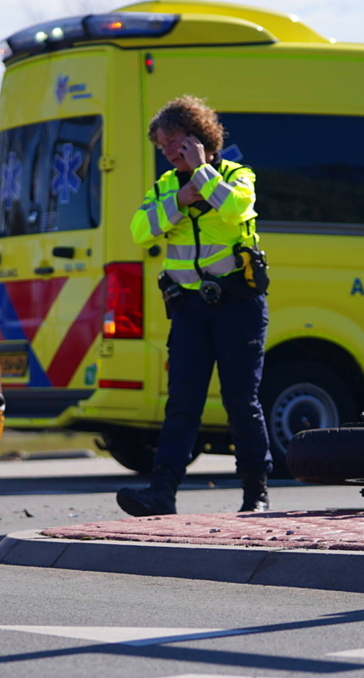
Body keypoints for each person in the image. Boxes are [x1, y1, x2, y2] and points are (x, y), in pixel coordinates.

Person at [116, 95, 272, 517]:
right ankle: (161, 493)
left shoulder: (236, 175)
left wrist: (203, 174)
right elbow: (139, 231)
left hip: (239, 304)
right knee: (182, 401)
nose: (167, 150)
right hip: (188, 309)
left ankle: (255, 493)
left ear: (198, 136)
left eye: (173, 140)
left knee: (241, 400)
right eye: (162, 144)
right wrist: (180, 201)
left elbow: (239, 209)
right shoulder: (166, 187)